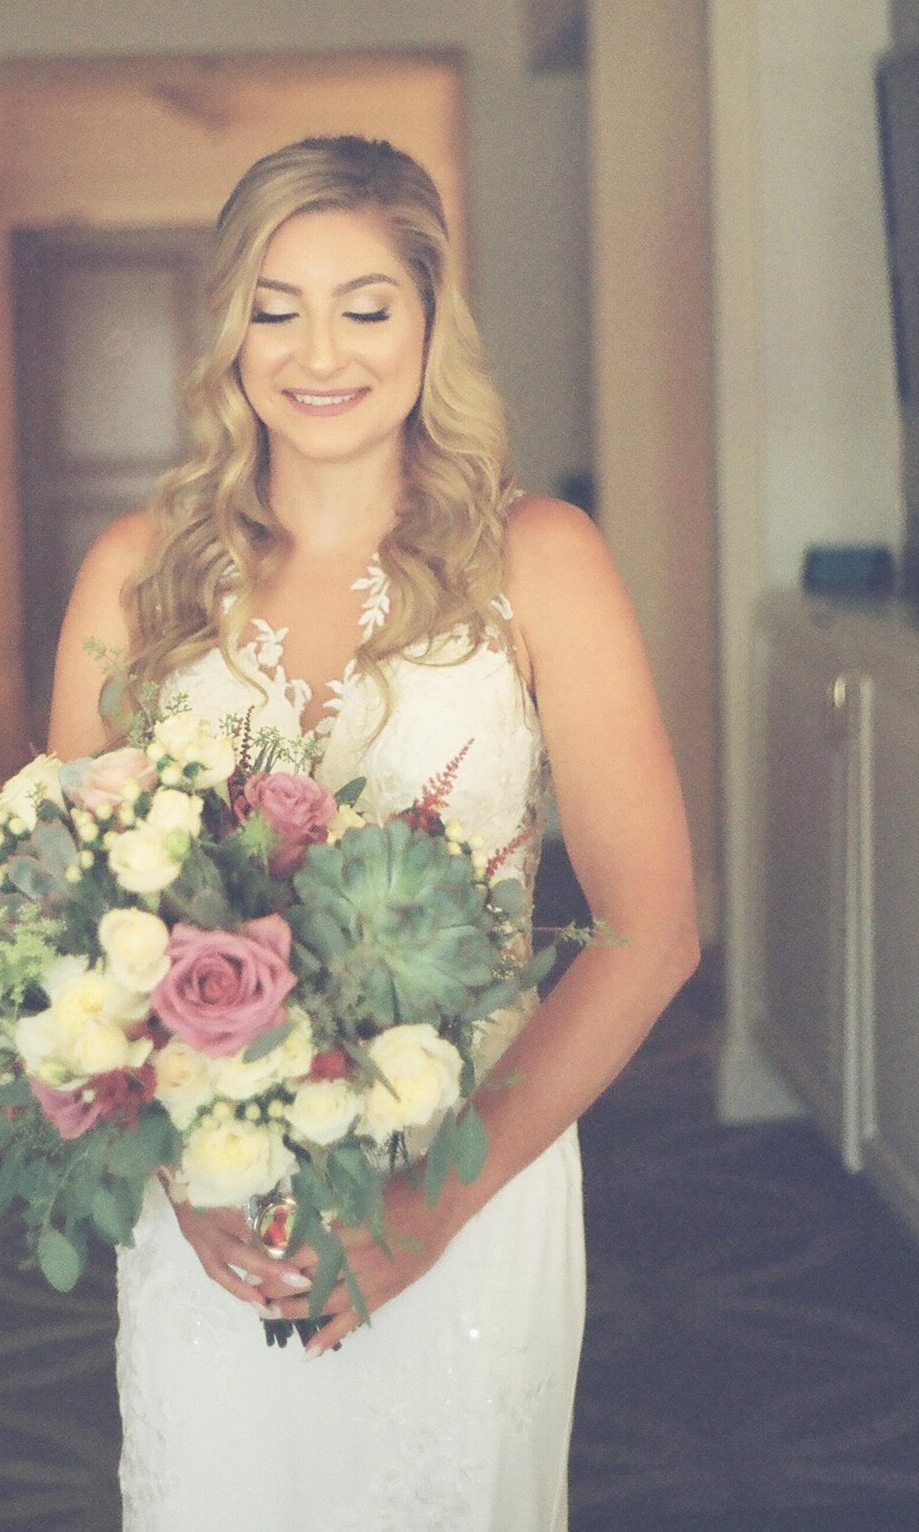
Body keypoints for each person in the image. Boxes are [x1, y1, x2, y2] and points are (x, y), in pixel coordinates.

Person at [47, 135, 700, 1531]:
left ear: (427, 319)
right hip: (210, 1212)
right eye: (276, 306)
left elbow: (651, 931)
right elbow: (65, 932)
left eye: (366, 304)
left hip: (472, 1181)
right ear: (230, 327)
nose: (318, 350)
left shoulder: (542, 562)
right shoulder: (136, 577)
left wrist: (425, 1215)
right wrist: (172, 1166)